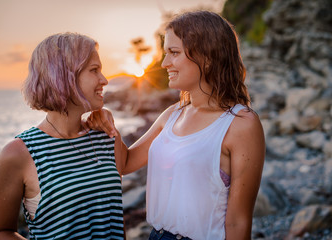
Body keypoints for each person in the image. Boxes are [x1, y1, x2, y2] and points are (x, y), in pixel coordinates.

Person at [87, 11, 265, 239]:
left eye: (174, 53)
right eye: (165, 53)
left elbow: (238, 221)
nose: (164, 63)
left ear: (207, 57)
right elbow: (126, 163)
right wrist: (109, 126)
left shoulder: (241, 124)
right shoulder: (173, 113)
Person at [0, 32, 136, 240]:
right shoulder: (18, 154)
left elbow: (113, 210)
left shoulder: (104, 136)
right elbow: (1, 232)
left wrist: (175, 112)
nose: (104, 80)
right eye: (94, 70)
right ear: (64, 77)